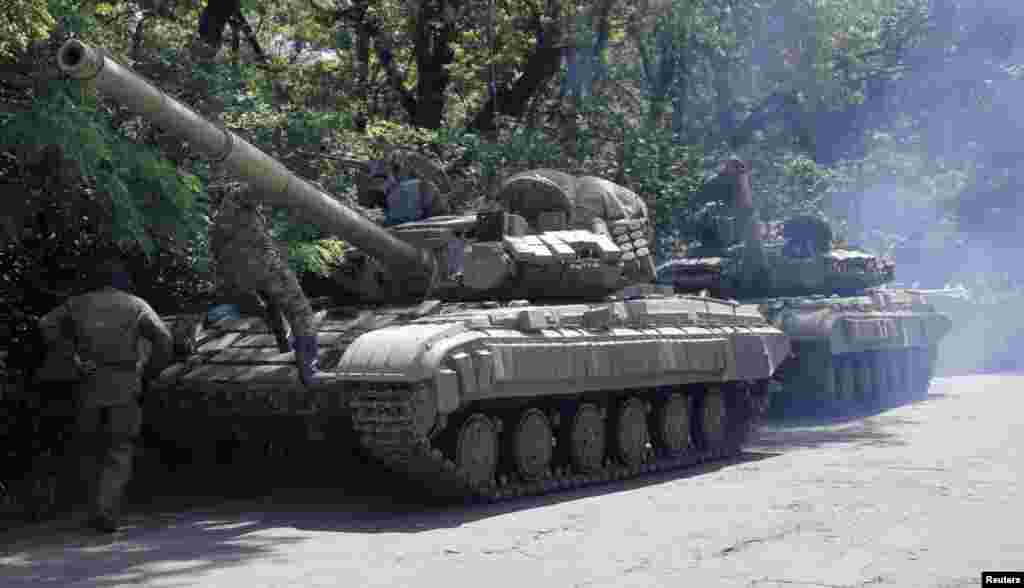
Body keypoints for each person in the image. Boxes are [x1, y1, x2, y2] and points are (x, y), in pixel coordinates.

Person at [38, 255, 173, 533]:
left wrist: (72, 357)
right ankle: (106, 509)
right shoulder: (136, 305)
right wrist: (149, 371)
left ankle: (92, 508)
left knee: (89, 447)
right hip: (125, 383)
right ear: (122, 281)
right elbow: (163, 338)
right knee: (119, 448)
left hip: (88, 384)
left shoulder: (77, 304)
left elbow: (45, 324)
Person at [209, 183, 320, 385]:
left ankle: (286, 348)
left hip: (239, 277)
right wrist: (298, 190)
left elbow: (219, 253)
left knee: (273, 307)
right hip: (265, 269)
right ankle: (310, 371)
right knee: (301, 312)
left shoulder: (218, 223)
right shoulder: (236, 199)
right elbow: (262, 187)